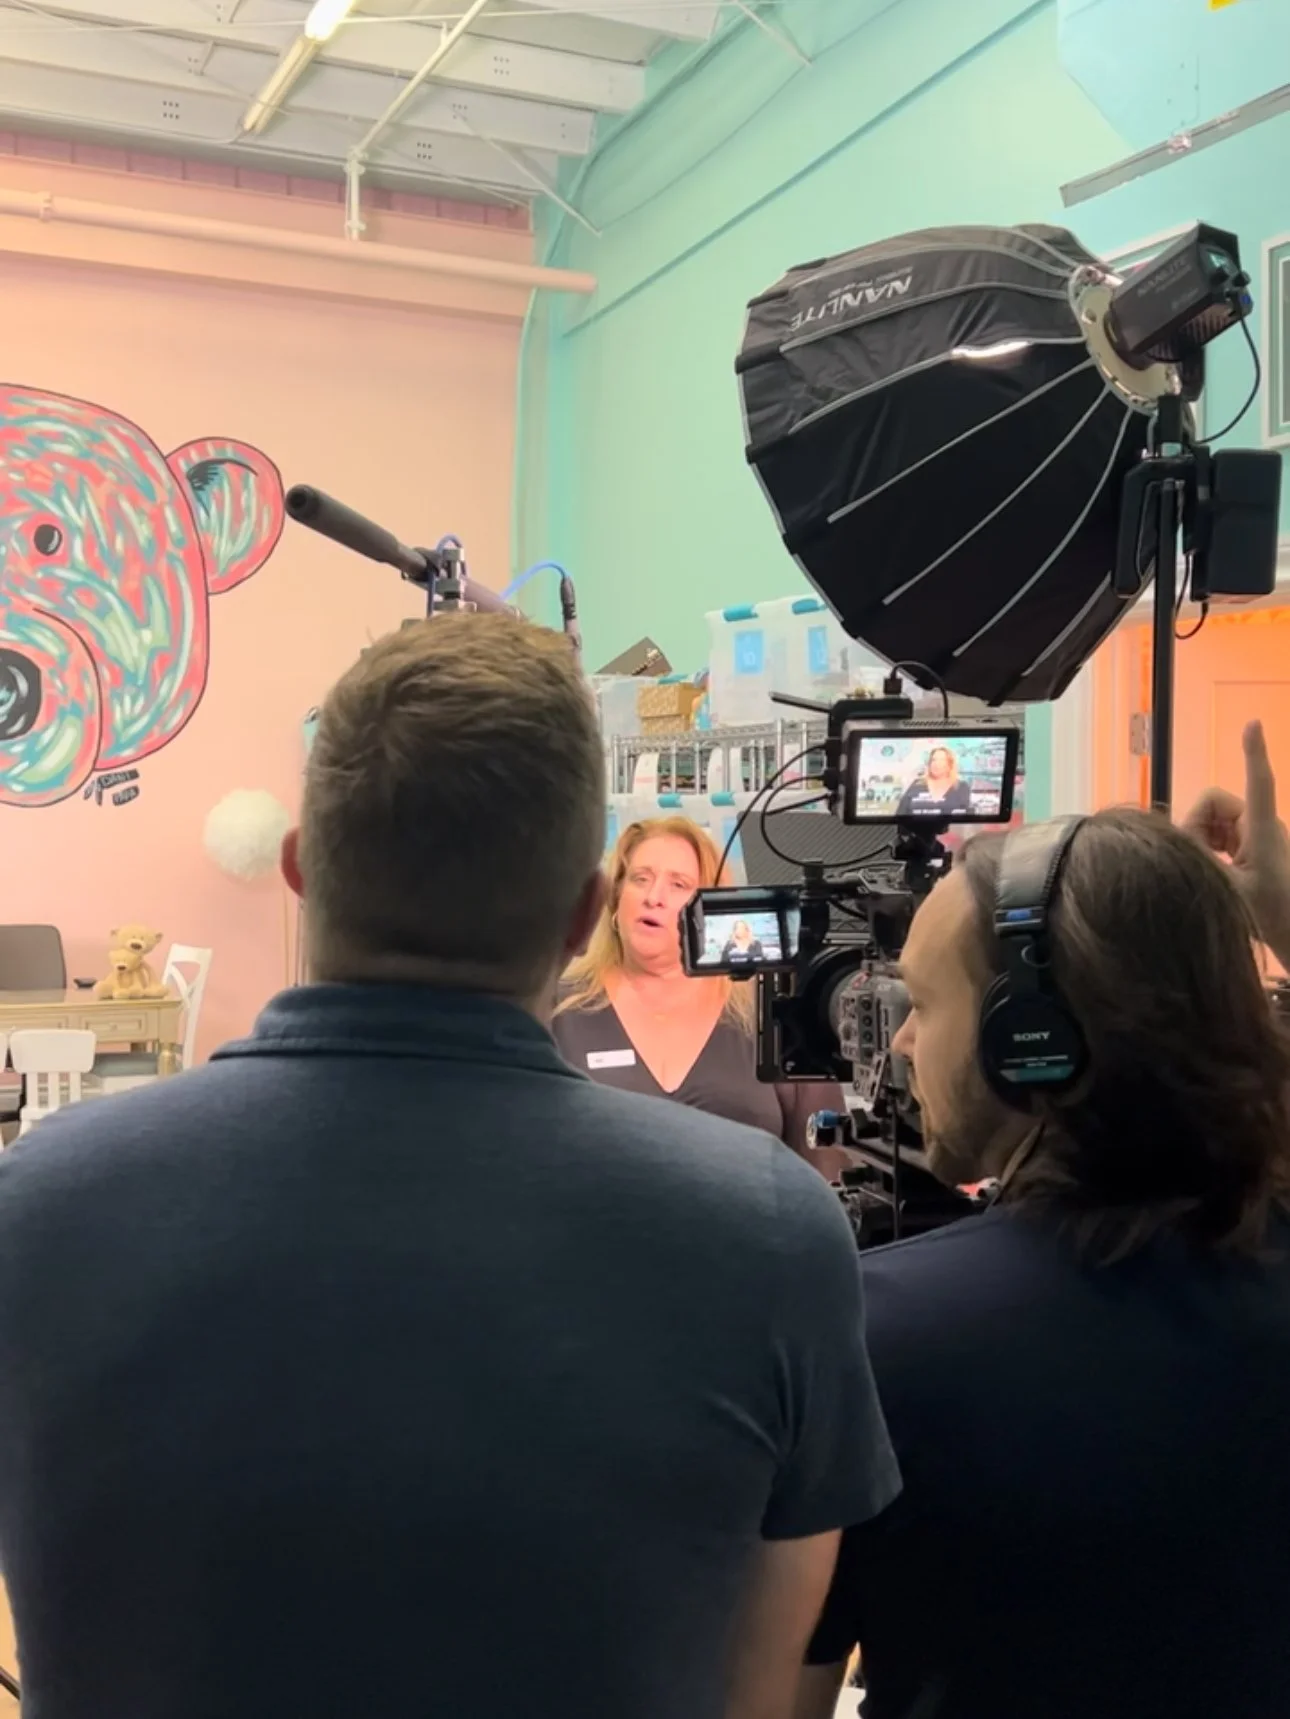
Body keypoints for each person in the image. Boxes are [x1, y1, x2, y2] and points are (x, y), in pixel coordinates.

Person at [0, 614, 900, 1719]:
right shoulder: (770, 1236)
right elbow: (765, 1696)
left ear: (297, 869)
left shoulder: (41, 1205)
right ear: (584, 913)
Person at [793, 720, 1290, 1719]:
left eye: (924, 1005)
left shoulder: (879, 1336)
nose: (899, 1048)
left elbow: (771, 1701)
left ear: (1032, 1043)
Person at [553, 815, 850, 1178]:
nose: (654, 897)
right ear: (615, 898)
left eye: (678, 884)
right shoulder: (558, 1010)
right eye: (640, 878)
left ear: (709, 907)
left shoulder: (775, 1011)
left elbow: (828, 1166)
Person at [895, 743, 973, 818]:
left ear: (950, 764)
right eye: (933, 760)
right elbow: (901, 813)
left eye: (941, 760)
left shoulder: (961, 787)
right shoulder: (917, 784)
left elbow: (967, 815)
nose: (936, 764)